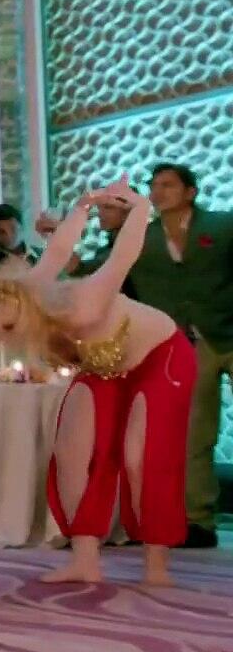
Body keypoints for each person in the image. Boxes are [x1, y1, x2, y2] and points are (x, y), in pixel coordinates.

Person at [0, 178, 191, 585]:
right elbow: (60, 247)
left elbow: (123, 256)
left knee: (140, 456)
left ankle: (156, 564)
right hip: (102, 365)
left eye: (9, 329)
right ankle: (85, 559)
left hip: (159, 356)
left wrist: (140, 209)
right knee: (72, 451)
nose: (9, 340)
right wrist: (82, 207)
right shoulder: (30, 287)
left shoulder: (82, 304)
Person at [126, 162, 232, 549]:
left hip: (228, 330)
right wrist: (60, 247)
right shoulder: (142, 238)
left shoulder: (222, 226)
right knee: (194, 434)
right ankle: (198, 520)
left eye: (168, 184)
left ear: (190, 192)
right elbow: (101, 270)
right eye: (154, 185)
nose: (159, 191)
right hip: (188, 345)